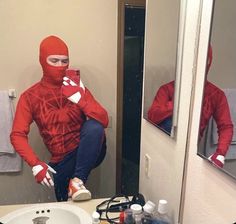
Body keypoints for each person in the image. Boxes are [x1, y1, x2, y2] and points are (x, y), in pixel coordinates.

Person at [10, 35, 109, 202]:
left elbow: (103, 120)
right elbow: (17, 134)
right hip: (62, 161)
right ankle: (75, 184)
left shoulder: (76, 87)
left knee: (94, 126)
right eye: (54, 61)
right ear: (42, 61)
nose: (60, 66)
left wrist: (81, 100)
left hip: (89, 149)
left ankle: (77, 181)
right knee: (66, 206)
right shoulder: (30, 96)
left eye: (65, 61)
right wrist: (35, 164)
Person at [148, 44, 233, 168]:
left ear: (208, 62)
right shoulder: (167, 89)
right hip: (160, 150)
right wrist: (179, 103)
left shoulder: (216, 95)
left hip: (188, 155)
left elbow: (226, 126)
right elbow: (152, 116)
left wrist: (220, 153)